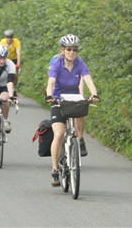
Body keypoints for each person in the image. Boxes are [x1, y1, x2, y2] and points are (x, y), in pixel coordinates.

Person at [45, 34, 100, 187]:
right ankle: (55, 170)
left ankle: (80, 139)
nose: (71, 52)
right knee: (59, 134)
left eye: (74, 50)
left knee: (83, 107)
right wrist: (49, 95)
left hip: (74, 99)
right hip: (58, 100)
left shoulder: (79, 63)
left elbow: (88, 79)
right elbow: (51, 82)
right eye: (68, 49)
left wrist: (94, 94)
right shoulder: (57, 63)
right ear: (62, 50)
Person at [0, 30, 21, 96]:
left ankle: (14, 87)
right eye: (7, 37)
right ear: (5, 37)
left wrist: (18, 64)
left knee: (15, 74)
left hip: (14, 59)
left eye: (10, 37)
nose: (9, 39)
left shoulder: (16, 42)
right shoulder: (2, 42)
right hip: (5, 59)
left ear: (12, 37)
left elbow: (18, 53)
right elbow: (0, 52)